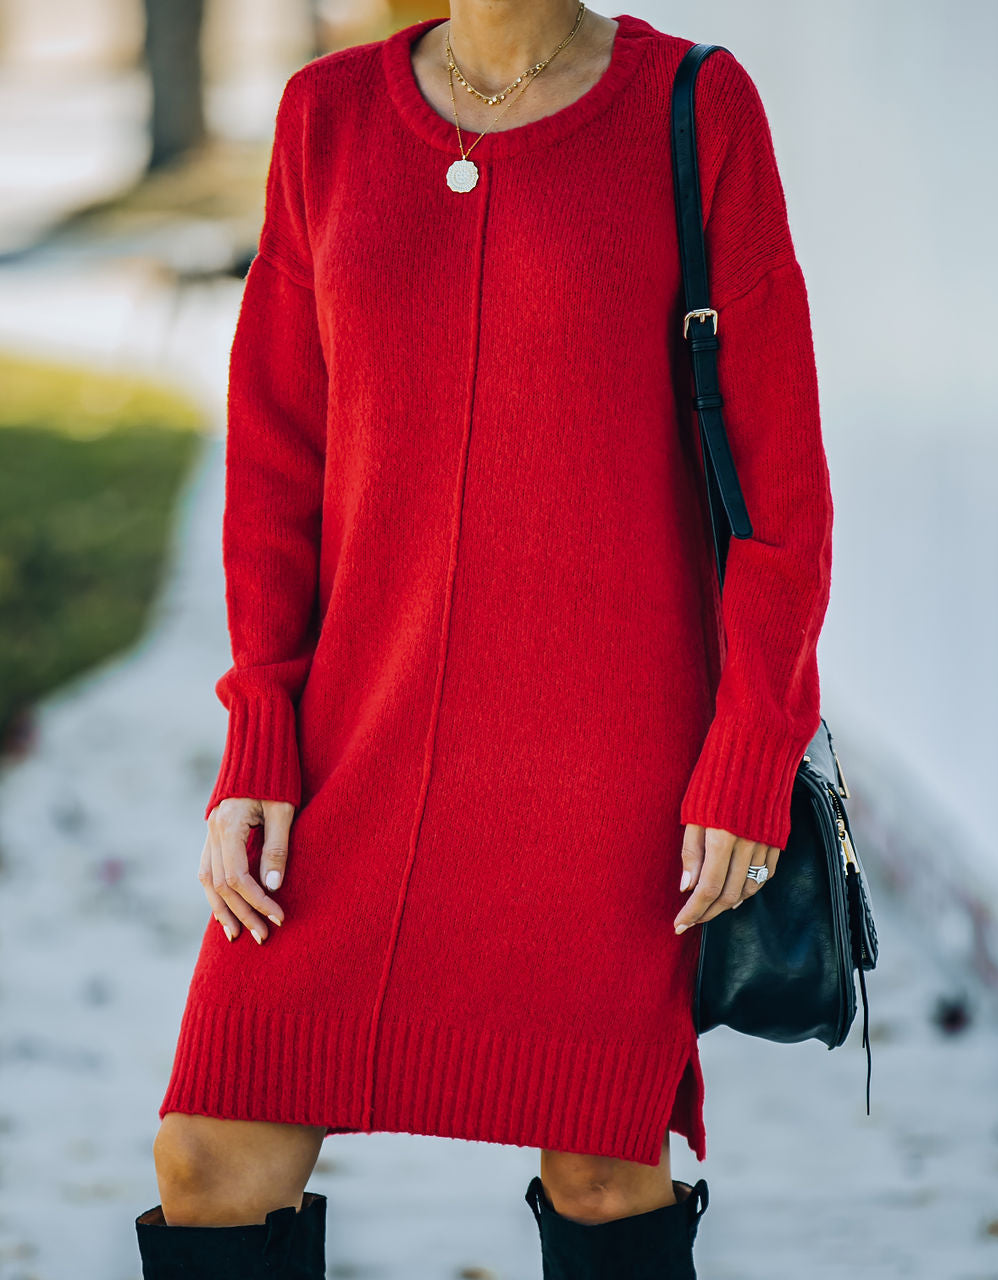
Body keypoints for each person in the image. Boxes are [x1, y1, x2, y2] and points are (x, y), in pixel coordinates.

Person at [134, 4, 833, 1277]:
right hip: (359, 728)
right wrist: (259, 742)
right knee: (209, 1158)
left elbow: (780, 493)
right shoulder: (326, 116)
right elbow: (275, 464)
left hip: (605, 758)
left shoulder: (693, 107)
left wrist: (749, 747)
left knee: (605, 1176)